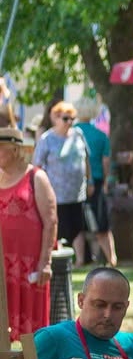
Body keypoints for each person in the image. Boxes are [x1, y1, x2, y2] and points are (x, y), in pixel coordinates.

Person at [0, 122, 55, 340]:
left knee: (32, 335)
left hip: (29, 266)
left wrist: (46, 262)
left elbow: (51, 221)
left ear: (15, 150)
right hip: (2, 266)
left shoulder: (36, 177)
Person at [32, 103, 92, 266]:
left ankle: (80, 261)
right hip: (55, 193)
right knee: (56, 225)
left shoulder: (78, 134)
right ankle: (54, 260)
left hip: (77, 192)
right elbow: (37, 165)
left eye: (73, 119)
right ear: (55, 118)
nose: (69, 122)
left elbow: (86, 159)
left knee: (78, 227)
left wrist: (90, 180)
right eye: (66, 119)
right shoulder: (47, 139)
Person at [76, 106, 114, 269]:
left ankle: (80, 259)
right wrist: (104, 181)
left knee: (77, 224)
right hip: (96, 182)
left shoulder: (72, 133)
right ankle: (111, 258)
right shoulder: (100, 135)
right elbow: (106, 162)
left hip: (76, 184)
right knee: (101, 224)